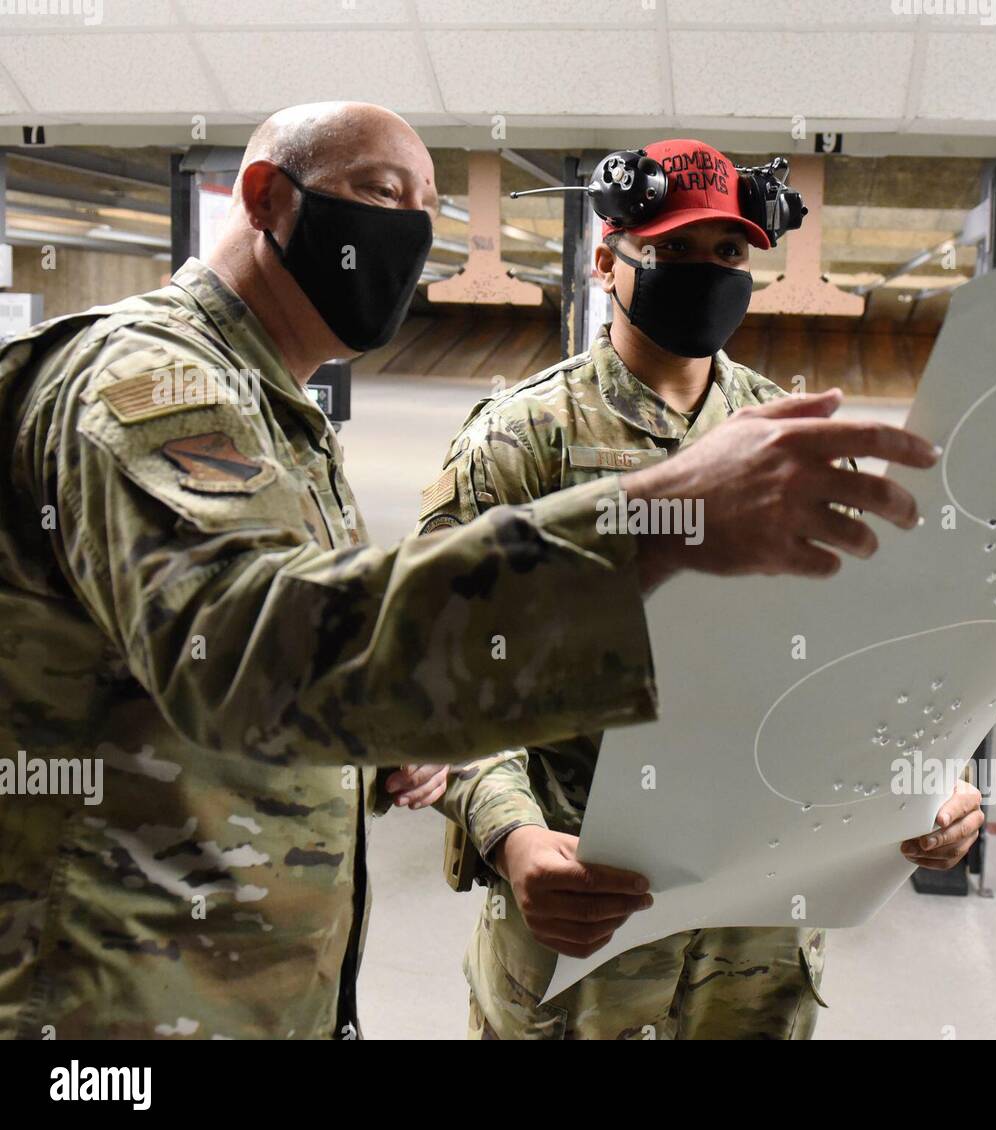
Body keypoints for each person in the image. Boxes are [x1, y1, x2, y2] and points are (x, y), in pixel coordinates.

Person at [0, 109, 939, 1040]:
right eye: (379, 194)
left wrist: (913, 777)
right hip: (120, 1007)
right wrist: (649, 529)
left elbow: (328, 653)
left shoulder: (277, 416)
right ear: (263, 198)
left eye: (428, 206)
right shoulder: (149, 382)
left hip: (256, 988)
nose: (407, 231)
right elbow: (243, 649)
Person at [422, 139, 983, 1040]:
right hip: (585, 921)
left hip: (759, 935)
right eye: (676, 251)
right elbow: (438, 666)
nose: (707, 272)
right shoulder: (524, 439)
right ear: (607, 263)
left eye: (727, 253)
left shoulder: (794, 440)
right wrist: (512, 837)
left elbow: (867, 656)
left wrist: (931, 780)